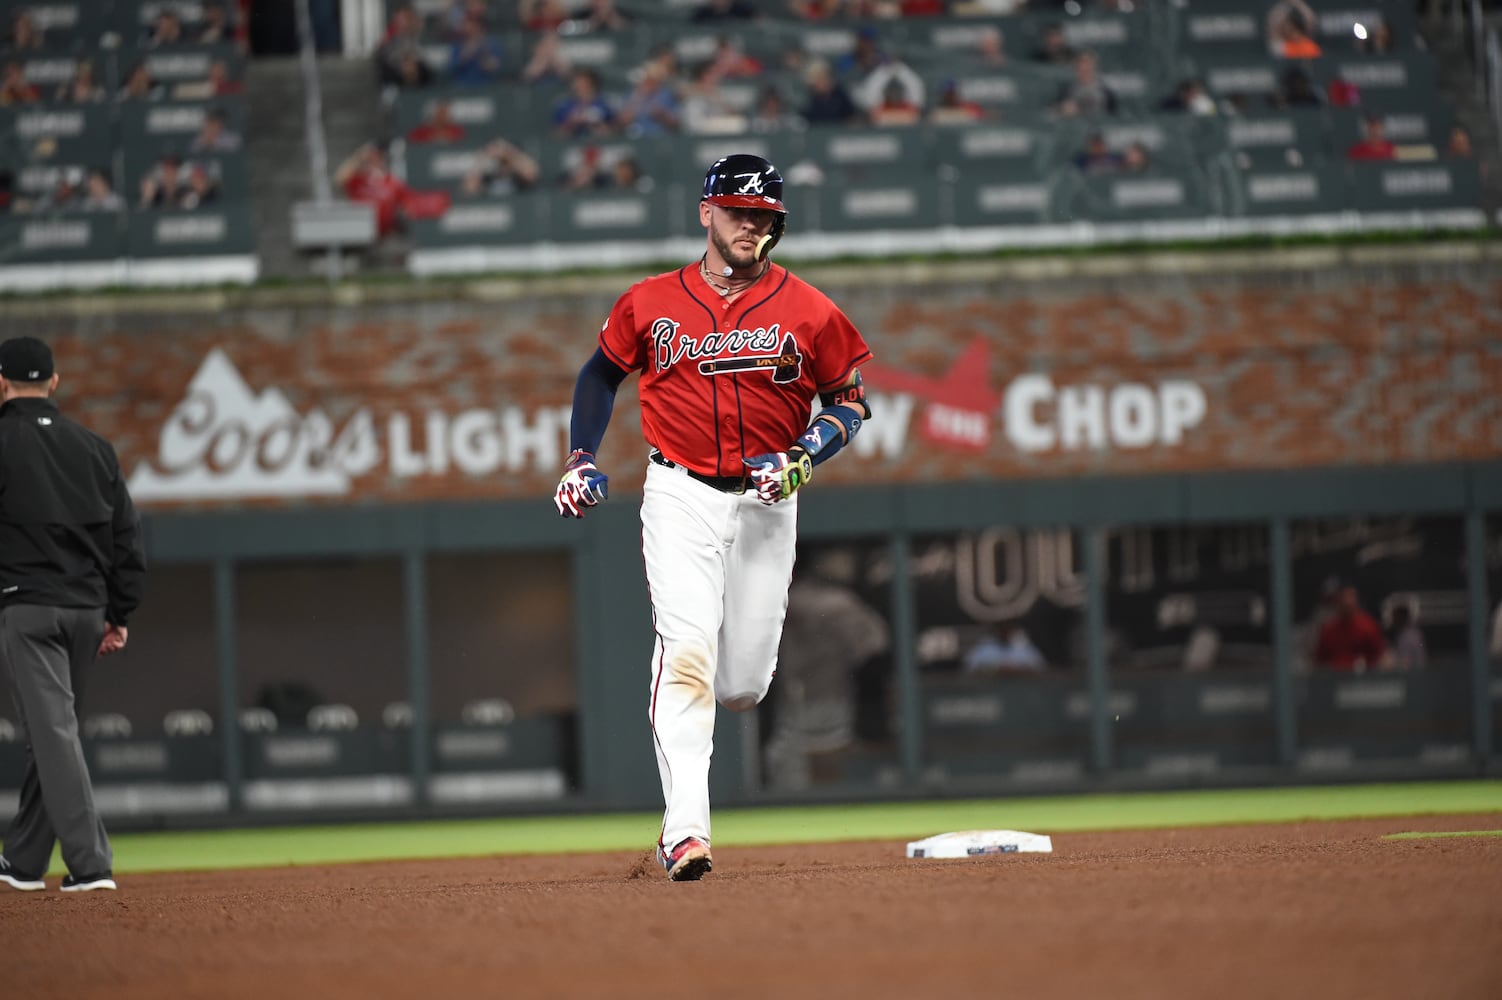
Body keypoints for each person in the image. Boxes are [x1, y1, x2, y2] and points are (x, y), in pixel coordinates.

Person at [553, 154, 875, 881]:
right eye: (737, 212)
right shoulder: (650, 301)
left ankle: (691, 806)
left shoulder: (811, 309)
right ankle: (686, 833)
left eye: (763, 216)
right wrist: (579, 455)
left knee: (743, 686)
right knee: (687, 650)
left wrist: (803, 456)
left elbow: (849, 401)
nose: (750, 226)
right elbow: (600, 373)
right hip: (680, 492)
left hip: (768, 499)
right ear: (706, 212)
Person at [0, 336, 146, 894]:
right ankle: (23, 861)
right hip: (86, 611)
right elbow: (127, 541)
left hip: (29, 609)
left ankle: (91, 865)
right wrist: (120, 611)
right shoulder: (95, 448)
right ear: (54, 383)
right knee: (51, 732)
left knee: (54, 732)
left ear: (1, 383)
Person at [1314, 586, 1387, 671]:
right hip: (1334, 677)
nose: (1347, 603)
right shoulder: (1328, 629)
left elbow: (1380, 655)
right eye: (1344, 601)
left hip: (1362, 677)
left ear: (1356, 603)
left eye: (1350, 601)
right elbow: (1320, 659)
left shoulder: (1368, 626)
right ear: (1338, 604)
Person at [963, 622, 1045, 674]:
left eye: (1007, 628)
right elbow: (969, 668)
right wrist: (995, 669)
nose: (1004, 632)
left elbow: (1040, 668)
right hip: (989, 692)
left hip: (1020, 691)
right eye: (1002, 628)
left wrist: (1016, 670)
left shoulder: (1023, 646)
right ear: (997, 629)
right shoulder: (984, 647)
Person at [1386, 604, 1425, 670]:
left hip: (1414, 674)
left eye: (1395, 617)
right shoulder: (1409, 633)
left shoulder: (1409, 636)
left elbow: (1405, 664)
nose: (1392, 620)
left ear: (1401, 617)